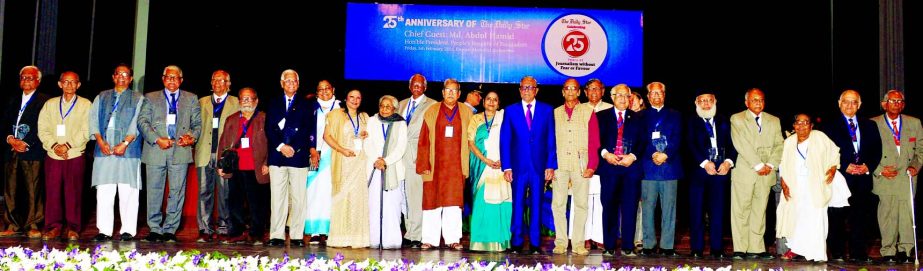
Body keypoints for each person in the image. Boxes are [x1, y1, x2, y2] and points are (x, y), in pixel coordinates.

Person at [138, 65, 202, 243]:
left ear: (181, 80)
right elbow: (142, 122)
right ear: (163, 78)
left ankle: (170, 230)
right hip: (156, 148)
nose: (172, 80)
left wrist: (191, 137)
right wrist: (157, 139)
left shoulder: (191, 98)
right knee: (154, 190)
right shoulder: (150, 98)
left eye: (176, 77)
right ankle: (155, 229)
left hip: (180, 149)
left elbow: (197, 124)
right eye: (169, 77)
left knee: (177, 191)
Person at [821, 90, 881, 263]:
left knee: (861, 217)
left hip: (862, 178)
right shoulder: (828, 126)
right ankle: (838, 253)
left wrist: (867, 166)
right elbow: (826, 151)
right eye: (846, 102)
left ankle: (859, 253)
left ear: (859, 105)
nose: (849, 105)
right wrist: (845, 165)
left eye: (854, 102)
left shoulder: (870, 125)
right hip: (840, 178)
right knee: (837, 217)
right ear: (839, 103)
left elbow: (876, 150)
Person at [500, 75, 557, 254]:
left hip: (539, 167)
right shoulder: (510, 110)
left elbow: (551, 139)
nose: (527, 90)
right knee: (517, 204)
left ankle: (534, 243)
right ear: (519, 90)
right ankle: (516, 242)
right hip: (517, 167)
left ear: (536, 90)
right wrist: (507, 166)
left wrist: (550, 165)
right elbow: (505, 140)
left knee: (537, 204)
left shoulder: (547, 110)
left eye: (530, 87)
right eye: (524, 87)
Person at [776, 113, 842, 262]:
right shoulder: (789, 142)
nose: (802, 126)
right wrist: (784, 184)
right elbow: (783, 165)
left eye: (806, 122)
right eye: (798, 123)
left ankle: (817, 253)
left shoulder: (819, 137)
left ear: (811, 125)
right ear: (794, 126)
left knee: (816, 218)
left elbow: (834, 152)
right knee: (797, 217)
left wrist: (832, 168)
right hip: (795, 185)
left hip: (816, 184)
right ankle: (796, 249)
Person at [89, 65, 144, 242]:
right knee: (104, 192)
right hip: (103, 150)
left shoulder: (138, 98)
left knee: (128, 192)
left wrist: (125, 143)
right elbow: (93, 120)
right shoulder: (101, 96)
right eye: (118, 74)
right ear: (113, 77)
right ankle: (104, 230)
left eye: (125, 75)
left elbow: (136, 123)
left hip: (128, 151)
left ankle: (128, 230)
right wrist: (100, 141)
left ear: (131, 79)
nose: (121, 77)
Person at [416, 78, 473, 250]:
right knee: (431, 203)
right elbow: (423, 140)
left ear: (459, 94)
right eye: (447, 90)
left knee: (453, 204)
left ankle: (453, 238)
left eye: (454, 90)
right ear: (442, 92)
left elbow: (472, 140)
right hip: (434, 166)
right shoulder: (431, 110)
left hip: (456, 166)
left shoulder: (466, 112)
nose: (450, 93)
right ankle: (429, 239)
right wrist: (423, 163)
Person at [264, 69, 317, 247]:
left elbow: (307, 129)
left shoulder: (307, 104)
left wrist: (293, 147)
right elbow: (269, 128)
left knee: (298, 197)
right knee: (277, 198)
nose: (291, 84)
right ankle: (277, 235)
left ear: (298, 84)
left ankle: (296, 235)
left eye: (294, 81)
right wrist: (281, 146)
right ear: (281, 83)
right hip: (277, 157)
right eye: (287, 81)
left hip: (298, 156)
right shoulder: (272, 102)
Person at [37, 71, 92, 241]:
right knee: (52, 193)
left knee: (73, 193)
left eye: (73, 82)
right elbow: (42, 128)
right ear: (59, 84)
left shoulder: (86, 104)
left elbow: (87, 129)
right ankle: (53, 226)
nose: (69, 85)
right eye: (65, 82)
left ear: (78, 85)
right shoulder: (50, 104)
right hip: (53, 154)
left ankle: (73, 228)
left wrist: (68, 145)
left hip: (75, 154)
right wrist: (54, 145)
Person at [729, 88, 783, 259]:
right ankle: (740, 248)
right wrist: (758, 164)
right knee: (741, 210)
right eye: (754, 100)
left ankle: (756, 248)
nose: (758, 103)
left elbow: (779, 145)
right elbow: (741, 144)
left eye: (761, 99)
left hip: (767, 172)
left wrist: (770, 164)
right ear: (746, 102)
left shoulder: (774, 120)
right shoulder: (737, 119)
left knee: (760, 211)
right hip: (745, 171)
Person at [872, 89, 923, 264]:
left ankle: (907, 249)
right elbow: (868, 153)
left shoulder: (914, 123)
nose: (896, 104)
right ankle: (888, 250)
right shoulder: (873, 123)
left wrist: (915, 166)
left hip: (907, 176)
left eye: (900, 101)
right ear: (884, 104)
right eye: (892, 101)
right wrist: (879, 169)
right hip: (886, 175)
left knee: (907, 214)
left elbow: (921, 150)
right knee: (887, 214)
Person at [551, 78, 600, 255]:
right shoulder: (554, 113)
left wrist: (592, 165)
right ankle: (561, 242)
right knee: (558, 204)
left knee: (581, 204)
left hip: (582, 164)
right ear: (563, 92)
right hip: (559, 164)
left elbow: (594, 142)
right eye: (567, 89)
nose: (571, 91)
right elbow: (549, 141)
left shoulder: (588, 111)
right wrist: (550, 165)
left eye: (574, 88)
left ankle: (579, 243)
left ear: (579, 92)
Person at [685, 89, 736, 259]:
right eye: (702, 100)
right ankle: (697, 249)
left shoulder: (724, 120)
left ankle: (717, 248)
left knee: (718, 211)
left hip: (721, 172)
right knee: (696, 212)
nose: (706, 104)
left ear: (715, 102)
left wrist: (728, 162)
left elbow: (732, 143)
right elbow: (689, 144)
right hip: (698, 173)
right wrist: (705, 163)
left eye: (709, 100)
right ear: (696, 103)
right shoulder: (691, 121)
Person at [0, 66, 50, 238]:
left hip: (33, 151)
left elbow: (43, 126)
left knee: (32, 189)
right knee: (10, 189)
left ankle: (33, 224)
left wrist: (27, 143)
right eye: (23, 77)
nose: (26, 80)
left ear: (38, 81)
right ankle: (12, 224)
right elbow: (4, 123)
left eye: (30, 78)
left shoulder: (45, 101)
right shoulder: (12, 100)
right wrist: (9, 139)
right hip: (11, 150)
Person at [216, 87, 270, 246]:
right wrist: (221, 163)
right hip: (236, 167)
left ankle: (257, 233)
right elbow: (223, 143)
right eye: (243, 98)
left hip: (257, 167)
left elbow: (272, 142)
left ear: (256, 101)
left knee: (257, 203)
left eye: (249, 98)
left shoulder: (264, 118)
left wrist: (267, 163)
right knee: (234, 202)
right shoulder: (231, 119)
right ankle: (237, 232)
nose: (246, 101)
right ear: (239, 101)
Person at [596, 84, 645, 256]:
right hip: (609, 168)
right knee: (609, 207)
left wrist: (632, 156)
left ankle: (627, 247)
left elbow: (643, 142)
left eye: (626, 95)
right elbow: (595, 140)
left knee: (630, 208)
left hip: (630, 169)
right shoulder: (600, 116)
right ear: (612, 97)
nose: (623, 98)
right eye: (619, 95)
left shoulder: (638, 118)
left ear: (630, 98)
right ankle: (609, 246)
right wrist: (605, 154)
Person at [194, 70, 239, 242]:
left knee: (225, 192)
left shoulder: (236, 102)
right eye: (215, 80)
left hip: (225, 154)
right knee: (204, 191)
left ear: (229, 83)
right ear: (211, 82)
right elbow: (195, 125)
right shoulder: (201, 102)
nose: (218, 83)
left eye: (222, 80)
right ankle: (204, 228)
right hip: (205, 153)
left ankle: (224, 226)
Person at [325, 89, 370, 248]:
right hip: (343, 162)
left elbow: (370, 137)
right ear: (346, 98)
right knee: (342, 200)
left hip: (360, 163)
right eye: (352, 97)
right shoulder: (336, 115)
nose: (355, 100)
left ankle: (357, 239)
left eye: (358, 97)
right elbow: (327, 136)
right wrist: (341, 150)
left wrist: (365, 135)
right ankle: (340, 238)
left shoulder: (364, 117)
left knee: (357, 201)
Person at [468, 91, 512, 252]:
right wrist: (486, 160)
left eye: (495, 99)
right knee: (482, 203)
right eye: (488, 99)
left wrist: (504, 161)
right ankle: (480, 242)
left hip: (501, 167)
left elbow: (511, 141)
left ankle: (500, 242)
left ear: (499, 103)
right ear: (483, 102)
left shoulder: (504, 118)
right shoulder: (476, 119)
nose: (491, 102)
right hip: (481, 166)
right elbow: (470, 143)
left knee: (501, 203)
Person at [572, 78, 611, 250]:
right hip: (581, 162)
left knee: (602, 202)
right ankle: (583, 237)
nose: (594, 92)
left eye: (597, 89)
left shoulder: (611, 109)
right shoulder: (578, 109)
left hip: (604, 161)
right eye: (590, 89)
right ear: (585, 92)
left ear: (603, 91)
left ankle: (600, 237)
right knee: (582, 200)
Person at [398, 73, 436, 248]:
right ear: (409, 85)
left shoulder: (433, 105)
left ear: (425, 87)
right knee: (403, 195)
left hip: (416, 155)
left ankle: (417, 235)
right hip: (398, 156)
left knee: (416, 196)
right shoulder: (401, 104)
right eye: (414, 83)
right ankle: (408, 231)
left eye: (420, 84)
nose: (417, 86)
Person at [364, 95, 407, 249]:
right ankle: (374, 239)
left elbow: (401, 147)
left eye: (388, 106)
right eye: (382, 105)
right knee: (374, 204)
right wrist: (377, 160)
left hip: (393, 168)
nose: (384, 109)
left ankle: (392, 241)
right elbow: (367, 142)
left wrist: (386, 161)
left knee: (392, 205)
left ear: (394, 108)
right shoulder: (372, 120)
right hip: (374, 168)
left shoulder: (401, 123)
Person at [305, 80, 340, 245]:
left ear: (333, 89)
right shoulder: (310, 108)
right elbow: (305, 131)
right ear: (317, 92)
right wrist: (311, 149)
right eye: (321, 89)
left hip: (336, 155)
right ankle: (316, 231)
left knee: (331, 192)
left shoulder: (342, 108)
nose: (324, 91)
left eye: (327, 88)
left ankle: (331, 230)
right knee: (313, 192)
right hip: (315, 154)